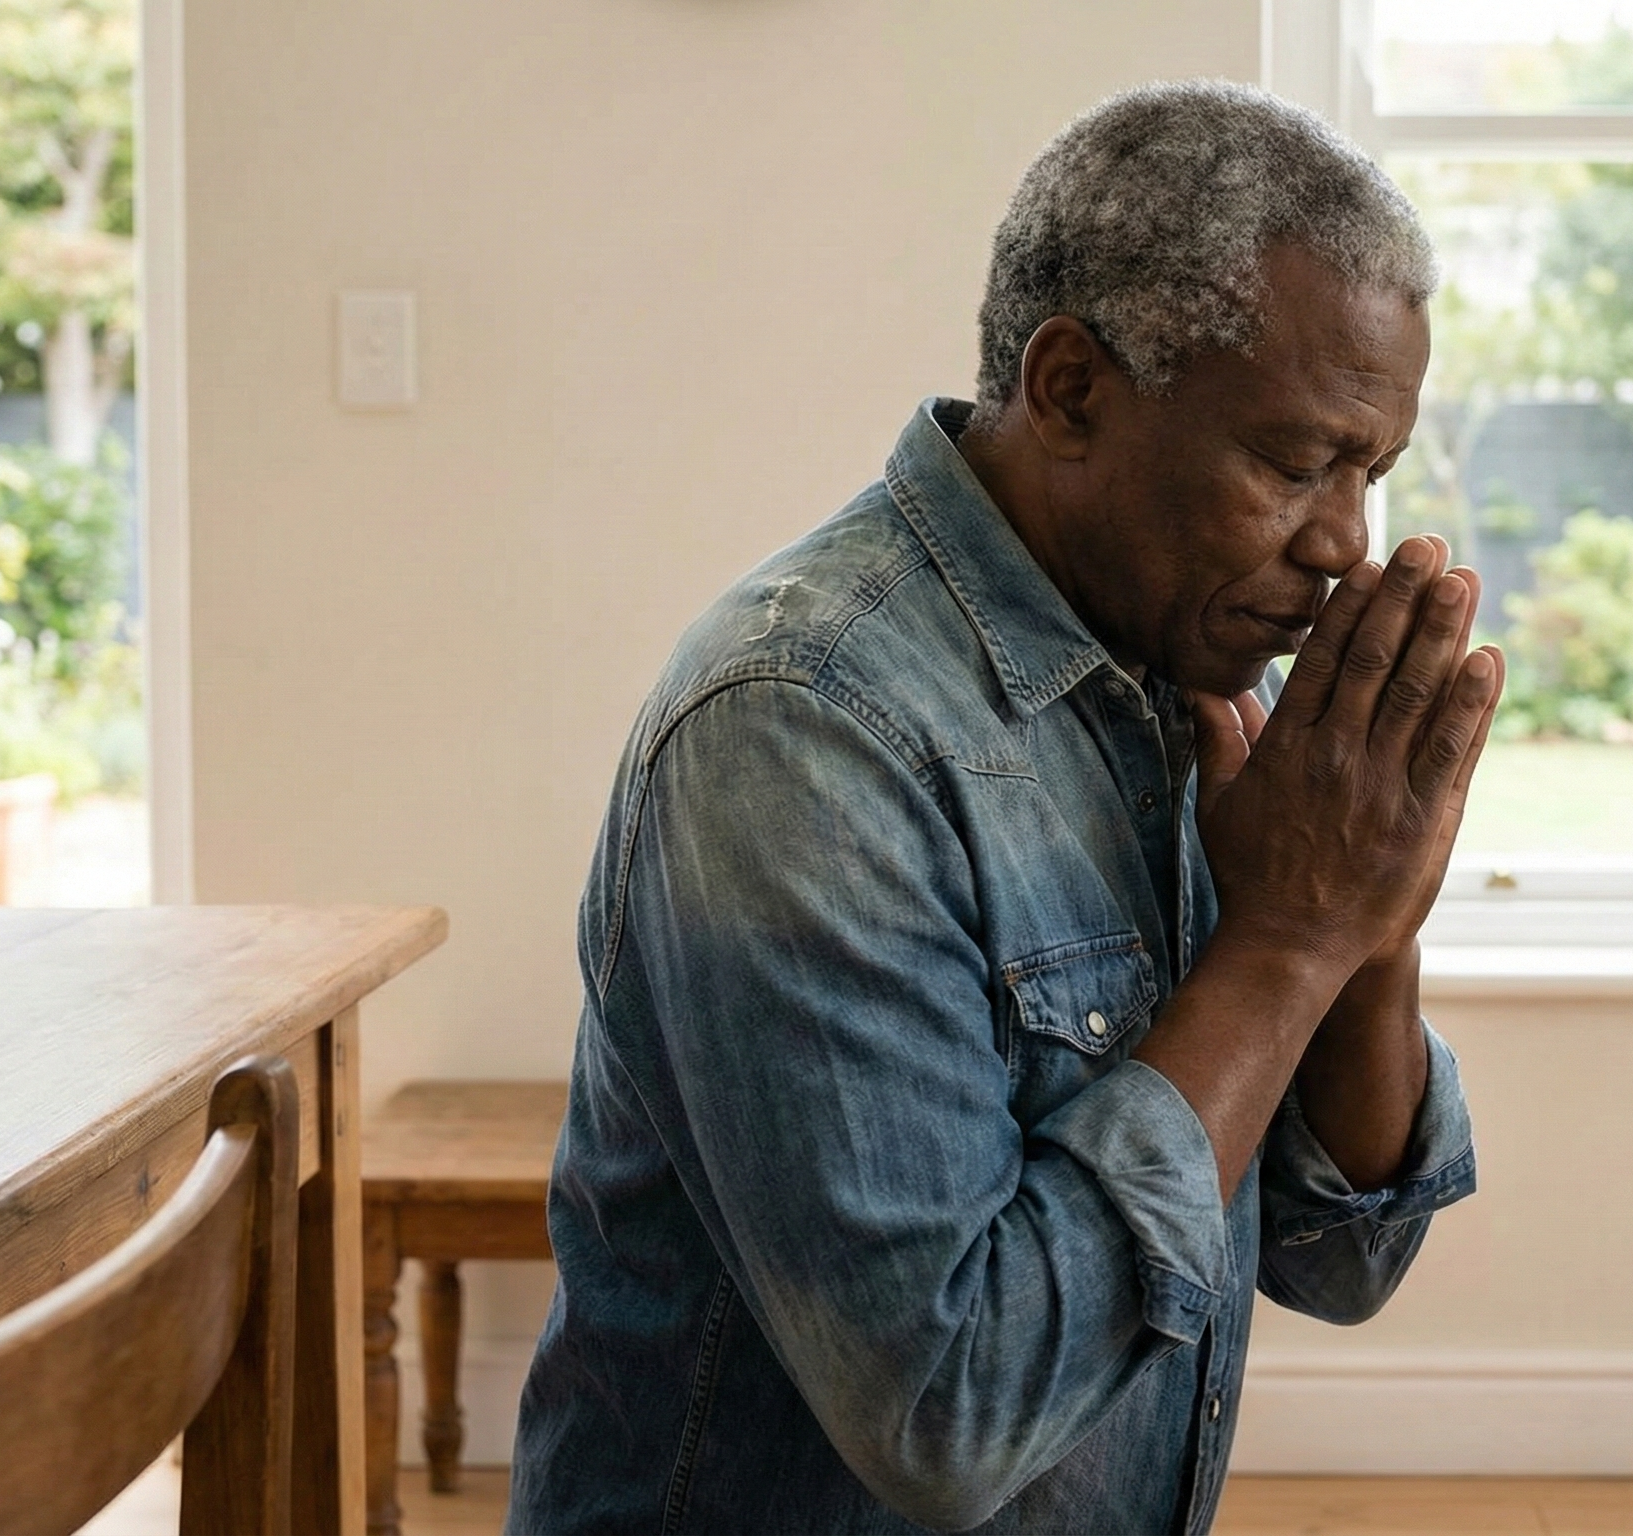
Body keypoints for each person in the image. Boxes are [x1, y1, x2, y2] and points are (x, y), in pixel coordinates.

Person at [510, 80, 1505, 1535]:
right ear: (1070, 391)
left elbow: (1343, 1259)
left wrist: (1369, 926)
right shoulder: (801, 727)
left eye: (1372, 470)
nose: (1346, 542)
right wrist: (1289, 941)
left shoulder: (1188, 670)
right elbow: (950, 1414)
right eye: (1295, 462)